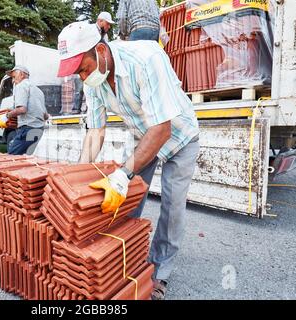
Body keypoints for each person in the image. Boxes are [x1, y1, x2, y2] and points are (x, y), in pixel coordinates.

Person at [56, 22, 200, 300]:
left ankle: (159, 272)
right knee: (127, 199)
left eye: (83, 69)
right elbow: (96, 131)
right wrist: (74, 179)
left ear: (100, 50)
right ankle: (122, 251)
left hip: (180, 135)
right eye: (77, 73)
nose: (82, 77)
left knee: (171, 206)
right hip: (145, 136)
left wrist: (122, 174)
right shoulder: (93, 80)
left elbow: (163, 129)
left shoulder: (146, 58)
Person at [1, 65, 49, 155]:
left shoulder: (21, 85)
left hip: (28, 129)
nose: (13, 80)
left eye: (14, 77)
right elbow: (45, 115)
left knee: (11, 157)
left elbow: (22, 109)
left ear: (22, 74)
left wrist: (7, 116)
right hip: (39, 130)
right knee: (24, 159)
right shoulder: (38, 91)